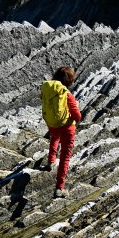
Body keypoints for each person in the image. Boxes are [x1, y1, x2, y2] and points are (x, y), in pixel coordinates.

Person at [40, 66, 82, 198]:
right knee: (65, 156)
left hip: (52, 123)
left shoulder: (48, 89)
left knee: (54, 137)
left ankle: (51, 161)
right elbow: (77, 116)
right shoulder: (66, 94)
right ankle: (60, 187)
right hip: (67, 127)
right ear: (69, 80)